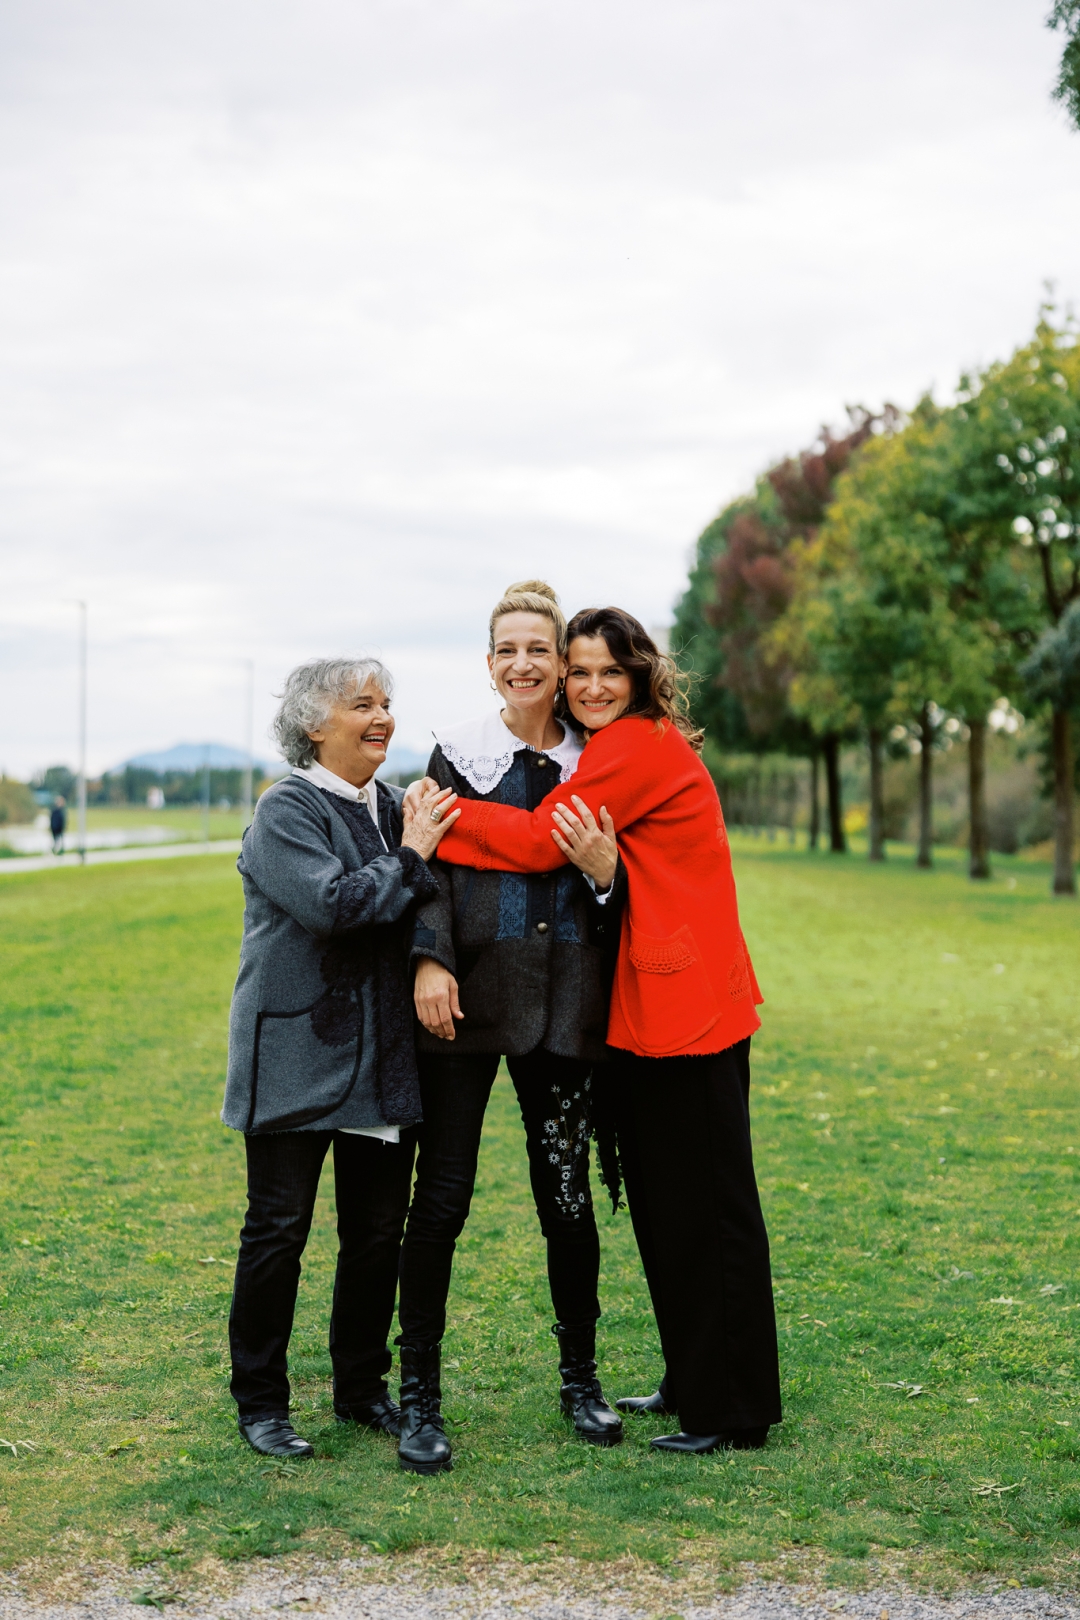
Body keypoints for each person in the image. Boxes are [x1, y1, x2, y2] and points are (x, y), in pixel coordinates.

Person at [432, 607, 782, 1455]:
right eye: (578, 671)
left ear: (638, 677)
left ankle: (730, 1408)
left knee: (708, 1206)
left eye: (606, 673)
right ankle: (692, 1375)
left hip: (689, 1004)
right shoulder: (625, 745)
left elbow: (536, 840)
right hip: (660, 1004)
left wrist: (446, 815)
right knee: (666, 1204)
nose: (589, 686)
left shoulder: (634, 745)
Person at [394, 581, 625, 1475]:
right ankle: (420, 1398)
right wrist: (428, 957)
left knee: (565, 1199)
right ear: (489, 663)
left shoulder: (597, 761)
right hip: (466, 1006)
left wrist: (606, 879)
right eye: (509, 650)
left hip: (564, 1006)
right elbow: (428, 870)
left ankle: (580, 1381)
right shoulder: (456, 757)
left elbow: (619, 885)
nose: (525, 665)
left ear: (562, 664)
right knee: (442, 1200)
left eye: (542, 651)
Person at [221, 657, 459, 1460]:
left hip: (383, 1059)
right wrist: (413, 854)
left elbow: (427, 905)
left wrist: (417, 869)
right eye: (363, 704)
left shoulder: (397, 809)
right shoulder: (284, 810)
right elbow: (334, 905)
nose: (383, 716)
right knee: (278, 1230)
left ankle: (361, 1389)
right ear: (315, 725)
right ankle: (260, 1402)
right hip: (294, 1053)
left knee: (375, 1234)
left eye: (387, 703)